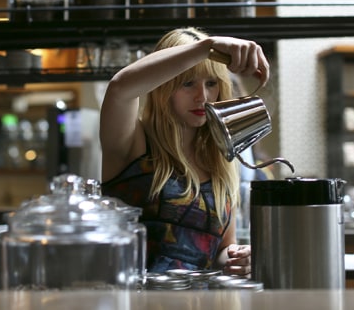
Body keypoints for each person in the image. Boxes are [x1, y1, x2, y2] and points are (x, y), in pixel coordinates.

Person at [100, 27, 270, 275]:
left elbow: (220, 249)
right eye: (188, 83)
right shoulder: (134, 143)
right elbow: (119, 89)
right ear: (163, 87)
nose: (202, 96)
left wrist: (238, 257)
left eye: (211, 83)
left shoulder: (221, 159)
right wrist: (206, 48)